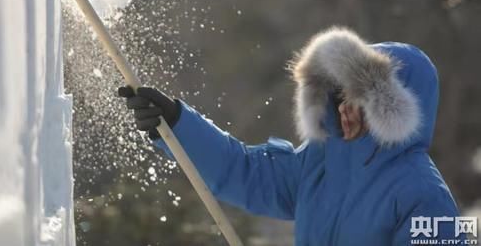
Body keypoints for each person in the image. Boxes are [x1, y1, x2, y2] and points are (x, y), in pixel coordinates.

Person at [119, 27, 463, 245]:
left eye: (357, 99)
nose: (344, 108)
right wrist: (178, 124)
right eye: (339, 95)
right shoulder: (319, 163)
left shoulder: (427, 198)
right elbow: (245, 173)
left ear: (388, 109)